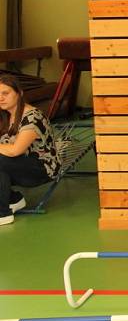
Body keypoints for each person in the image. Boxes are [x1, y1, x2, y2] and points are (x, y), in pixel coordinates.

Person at [0, 74, 61, 225]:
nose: (1, 98)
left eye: (5, 93)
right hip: (15, 165)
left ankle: (3, 213)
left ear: (19, 93)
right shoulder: (5, 115)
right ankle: (14, 199)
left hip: (42, 168)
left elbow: (15, 150)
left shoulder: (33, 117)